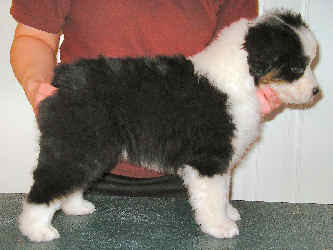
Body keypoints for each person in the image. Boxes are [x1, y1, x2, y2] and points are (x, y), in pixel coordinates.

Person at [10, 0, 281, 183]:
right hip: (83, 159)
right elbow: (34, 37)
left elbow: (236, 55)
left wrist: (255, 91)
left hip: (190, 167)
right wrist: (37, 86)